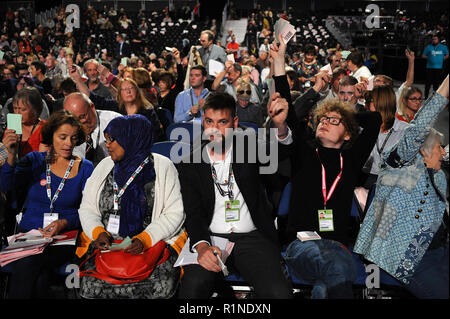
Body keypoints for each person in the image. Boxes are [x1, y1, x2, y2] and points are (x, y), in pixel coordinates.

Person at [268, 36, 382, 299]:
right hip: (301, 246)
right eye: (322, 119)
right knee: (339, 268)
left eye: (334, 121)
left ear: (347, 135)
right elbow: (287, 107)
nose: (325, 122)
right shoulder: (304, 153)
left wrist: (345, 111)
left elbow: (375, 119)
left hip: (337, 246)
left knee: (329, 280)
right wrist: (279, 62)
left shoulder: (351, 161)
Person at [177, 91, 293, 299]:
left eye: (222, 122)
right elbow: (193, 213)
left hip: (252, 238)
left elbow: (282, 156)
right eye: (209, 121)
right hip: (211, 238)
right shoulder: (189, 163)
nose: (215, 129)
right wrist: (202, 246)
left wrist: (281, 127)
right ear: (203, 121)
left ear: (235, 122)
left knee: (278, 294)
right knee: (191, 289)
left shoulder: (249, 147)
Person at [354, 76, 449, 299]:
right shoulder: (398, 163)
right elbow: (417, 130)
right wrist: (445, 88)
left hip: (438, 250)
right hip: (406, 255)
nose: (443, 153)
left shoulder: (439, 177)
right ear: (423, 151)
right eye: (439, 148)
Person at [76, 114, 186, 299]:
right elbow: (87, 208)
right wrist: (97, 232)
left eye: (112, 140)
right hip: (107, 245)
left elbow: (175, 213)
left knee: (161, 284)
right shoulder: (104, 165)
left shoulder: (163, 166)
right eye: (106, 140)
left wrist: (145, 239)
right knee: (89, 285)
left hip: (152, 244)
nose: (107, 145)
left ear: (131, 139)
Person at [0, 110, 94, 298]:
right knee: (39, 277)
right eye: (63, 137)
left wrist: (64, 223)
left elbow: (89, 210)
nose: (69, 143)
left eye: (73, 138)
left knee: (28, 264)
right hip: (29, 235)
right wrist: (11, 155)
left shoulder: (85, 168)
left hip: (62, 239)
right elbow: (6, 185)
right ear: (51, 136)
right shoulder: (35, 160)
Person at [361, 85, 409, 189]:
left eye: (369, 101)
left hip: (392, 183)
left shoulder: (404, 130)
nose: (366, 105)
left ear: (381, 103)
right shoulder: (362, 127)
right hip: (365, 179)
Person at [63, 92, 121, 166]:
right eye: (75, 120)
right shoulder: (66, 130)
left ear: (92, 107)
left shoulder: (115, 122)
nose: (80, 123)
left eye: (82, 117)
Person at [1, 86, 48, 159]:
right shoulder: (12, 127)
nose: (17, 113)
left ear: (35, 109)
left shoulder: (45, 128)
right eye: (15, 108)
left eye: (22, 109)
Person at [422, 34, 449, 99]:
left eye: (435, 39)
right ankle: (426, 96)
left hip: (438, 67)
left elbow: (447, 55)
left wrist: (442, 59)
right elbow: (423, 55)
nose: (434, 40)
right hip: (429, 67)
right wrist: (430, 58)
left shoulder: (443, 47)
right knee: (428, 82)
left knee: (436, 83)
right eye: (433, 39)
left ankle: (435, 97)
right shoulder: (429, 47)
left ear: (438, 40)